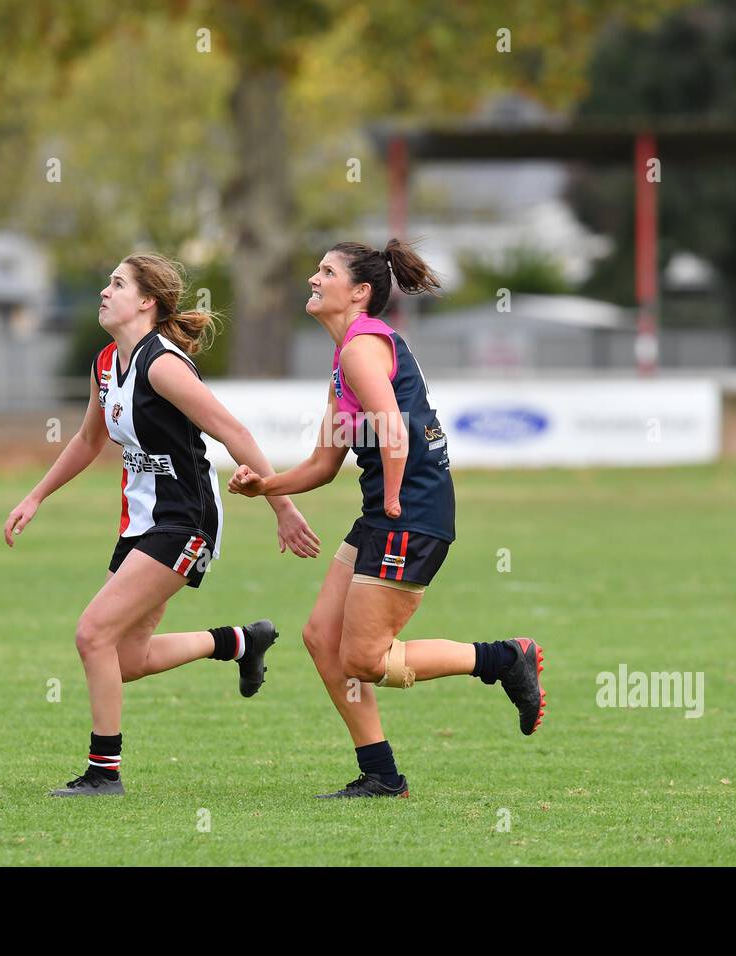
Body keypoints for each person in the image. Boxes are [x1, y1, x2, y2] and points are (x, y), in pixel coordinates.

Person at [229, 238, 545, 799]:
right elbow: (324, 463)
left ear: (360, 292)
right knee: (322, 637)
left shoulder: (361, 349)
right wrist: (266, 488)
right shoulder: (344, 358)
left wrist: (393, 499)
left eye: (325, 271)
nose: (313, 278)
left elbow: (394, 431)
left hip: (410, 512)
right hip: (387, 512)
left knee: (365, 658)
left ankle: (503, 659)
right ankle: (380, 774)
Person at [3, 252, 321, 797]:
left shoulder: (162, 364)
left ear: (146, 302)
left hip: (185, 521)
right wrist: (36, 495)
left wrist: (282, 504)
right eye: (106, 282)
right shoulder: (107, 363)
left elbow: (233, 432)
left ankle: (104, 774)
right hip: (140, 525)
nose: (105, 290)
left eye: (118, 283)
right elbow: (87, 440)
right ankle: (240, 643)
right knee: (125, 659)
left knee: (92, 634)